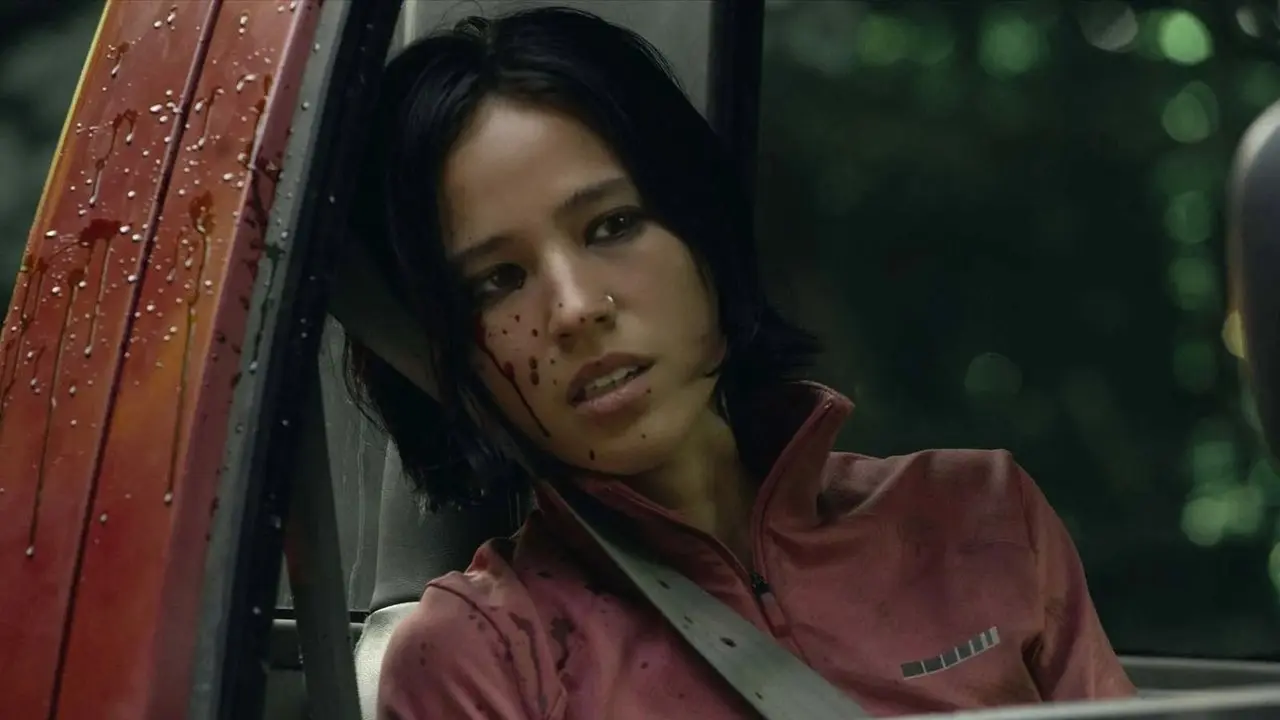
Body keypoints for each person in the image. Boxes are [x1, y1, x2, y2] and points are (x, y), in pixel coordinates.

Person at [344, 7, 1135, 719]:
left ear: (705, 232)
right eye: (497, 280)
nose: (576, 308)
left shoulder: (978, 519)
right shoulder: (479, 659)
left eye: (613, 225)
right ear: (449, 349)